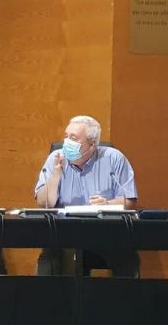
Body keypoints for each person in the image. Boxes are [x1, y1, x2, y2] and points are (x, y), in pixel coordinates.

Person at [33, 115, 139, 277]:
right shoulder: (55, 158)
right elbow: (43, 203)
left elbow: (129, 201)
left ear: (92, 144)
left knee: (127, 258)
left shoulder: (114, 159)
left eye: (73, 138)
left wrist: (107, 204)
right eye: (66, 136)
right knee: (49, 260)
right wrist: (55, 175)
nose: (66, 142)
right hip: (64, 233)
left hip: (106, 232)